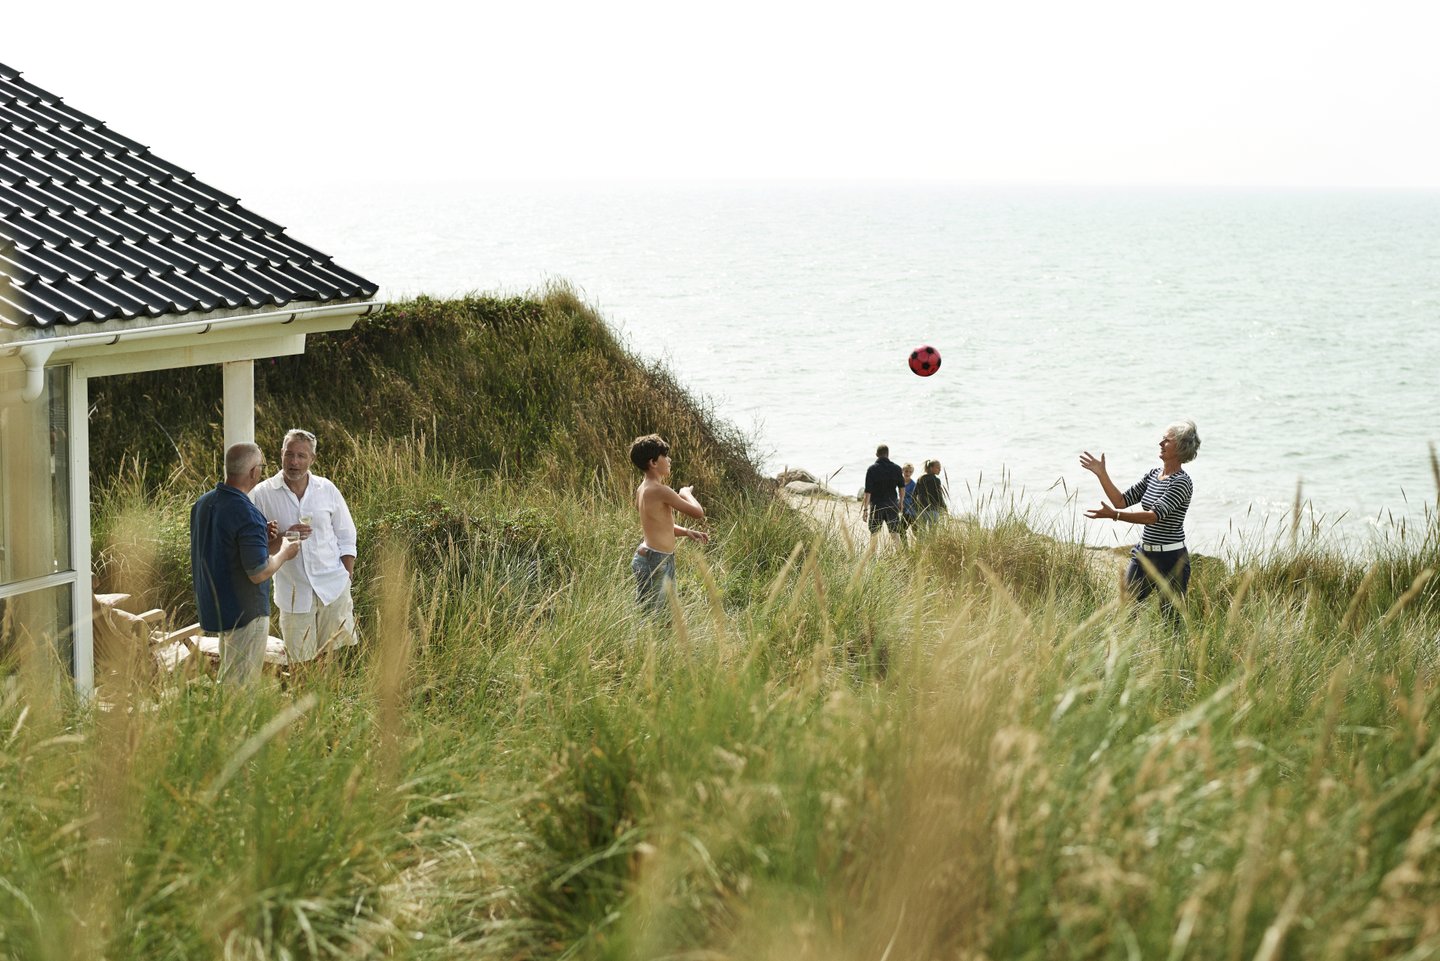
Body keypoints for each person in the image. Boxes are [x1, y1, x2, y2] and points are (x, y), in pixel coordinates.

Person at [191, 442, 300, 686]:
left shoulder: (203, 504)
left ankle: (223, 724)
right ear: (253, 472)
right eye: (261, 466)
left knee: (229, 679)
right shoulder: (246, 513)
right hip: (245, 614)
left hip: (218, 608)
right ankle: (234, 726)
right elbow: (259, 572)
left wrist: (262, 537)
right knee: (241, 688)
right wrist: (284, 552)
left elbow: (226, 549)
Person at [249, 428, 359, 665]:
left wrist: (346, 575)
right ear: (281, 454)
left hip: (333, 588)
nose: (294, 462)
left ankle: (330, 702)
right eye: (289, 454)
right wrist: (285, 537)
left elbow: (346, 534)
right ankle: (306, 702)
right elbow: (254, 548)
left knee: (334, 659)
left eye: (301, 456)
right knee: (300, 664)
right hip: (293, 593)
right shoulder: (262, 494)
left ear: (313, 459)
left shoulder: (326, 489)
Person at [1080, 420, 1201, 623]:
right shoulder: (1153, 475)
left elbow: (1152, 516)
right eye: (1162, 439)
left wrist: (1114, 516)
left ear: (1180, 446)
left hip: (1172, 560)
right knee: (1126, 612)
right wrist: (1102, 474)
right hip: (1143, 556)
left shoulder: (1181, 482)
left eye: (1167, 441)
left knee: (1170, 623)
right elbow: (1120, 501)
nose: (1160, 444)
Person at [631, 434, 709, 614]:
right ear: (653, 462)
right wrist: (685, 493)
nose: (669, 459)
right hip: (656, 561)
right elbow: (698, 513)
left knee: (657, 614)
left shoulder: (642, 489)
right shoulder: (661, 491)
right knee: (656, 618)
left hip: (650, 557)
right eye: (664, 456)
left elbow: (659, 527)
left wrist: (687, 531)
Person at [861, 444, 906, 536]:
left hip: (877, 506)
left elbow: (868, 491)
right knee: (894, 533)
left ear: (877, 454)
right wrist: (901, 502)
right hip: (892, 504)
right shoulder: (897, 468)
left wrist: (865, 509)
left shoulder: (872, 469)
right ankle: (898, 551)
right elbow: (902, 488)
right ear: (888, 454)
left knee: (874, 534)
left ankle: (872, 551)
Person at [913, 458, 947, 529]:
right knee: (933, 532)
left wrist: (916, 508)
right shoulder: (936, 480)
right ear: (931, 468)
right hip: (933, 510)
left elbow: (914, 494)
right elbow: (939, 496)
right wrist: (944, 507)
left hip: (922, 510)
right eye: (937, 467)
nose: (940, 469)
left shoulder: (920, 479)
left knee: (922, 532)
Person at [900, 463, 918, 532]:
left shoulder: (913, 484)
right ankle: (905, 543)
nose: (908, 473)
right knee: (901, 530)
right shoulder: (899, 482)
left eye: (910, 472)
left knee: (915, 531)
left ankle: (919, 543)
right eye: (906, 471)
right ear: (902, 471)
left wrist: (901, 501)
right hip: (903, 510)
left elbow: (913, 499)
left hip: (912, 511)